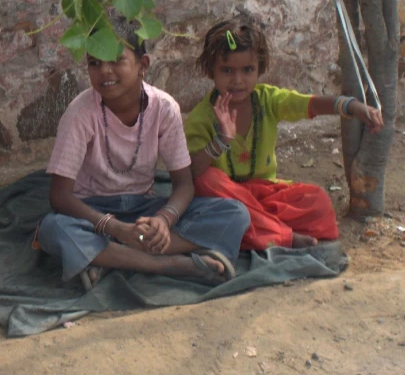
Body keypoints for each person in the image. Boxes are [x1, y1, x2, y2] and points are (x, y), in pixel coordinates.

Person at [37, 17, 250, 290]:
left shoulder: (164, 108)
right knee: (52, 229)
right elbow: (59, 196)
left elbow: (184, 184)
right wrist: (115, 229)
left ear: (143, 65)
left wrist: (164, 220)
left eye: (116, 60)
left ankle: (114, 256)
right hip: (92, 211)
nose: (104, 71)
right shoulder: (81, 113)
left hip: (145, 210)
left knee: (235, 214)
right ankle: (169, 263)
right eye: (94, 63)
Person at [185, 18, 384, 251]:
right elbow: (192, 173)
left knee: (317, 202)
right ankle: (284, 237)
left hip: (265, 196)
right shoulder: (201, 117)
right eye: (227, 70)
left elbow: (309, 105)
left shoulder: (267, 100)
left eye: (247, 70)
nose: (238, 80)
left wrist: (350, 106)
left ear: (259, 69)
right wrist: (221, 141)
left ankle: (259, 232)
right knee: (208, 181)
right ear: (211, 71)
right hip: (225, 201)